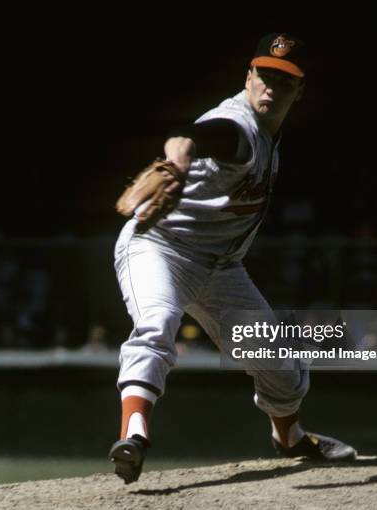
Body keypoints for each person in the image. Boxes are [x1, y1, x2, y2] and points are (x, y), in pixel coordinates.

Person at [109, 33, 357, 484]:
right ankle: (134, 435)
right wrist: (178, 164)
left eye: (284, 81)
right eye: (264, 75)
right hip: (160, 247)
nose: (270, 87)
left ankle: (290, 437)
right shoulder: (239, 127)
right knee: (156, 325)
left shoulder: (268, 136)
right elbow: (191, 135)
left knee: (278, 362)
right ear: (249, 76)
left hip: (219, 268)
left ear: (299, 91)